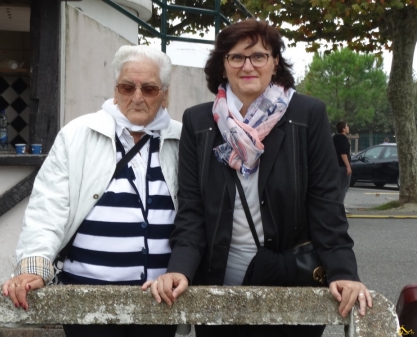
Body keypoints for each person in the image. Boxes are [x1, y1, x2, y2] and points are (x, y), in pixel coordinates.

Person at [143, 19, 372, 337]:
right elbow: (192, 209)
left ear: (275, 62)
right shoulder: (199, 121)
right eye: (236, 56)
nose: (247, 65)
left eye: (259, 56)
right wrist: (179, 268)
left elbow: (326, 204)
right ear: (223, 66)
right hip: (219, 289)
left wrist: (344, 271)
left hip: (291, 283)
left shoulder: (307, 115)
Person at [2, 45, 181, 337]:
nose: (136, 97)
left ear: (165, 94)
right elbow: (48, 207)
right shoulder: (78, 135)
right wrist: (34, 268)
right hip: (85, 301)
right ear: (115, 89)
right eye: (127, 87)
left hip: (160, 303)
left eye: (149, 89)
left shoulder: (182, 139)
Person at [333, 121, 352, 211]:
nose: (348, 128)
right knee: (343, 187)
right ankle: (340, 206)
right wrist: (348, 166)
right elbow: (343, 153)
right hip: (342, 166)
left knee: (338, 186)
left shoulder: (335, 138)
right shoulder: (343, 139)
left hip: (336, 166)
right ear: (343, 129)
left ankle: (335, 205)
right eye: (347, 126)